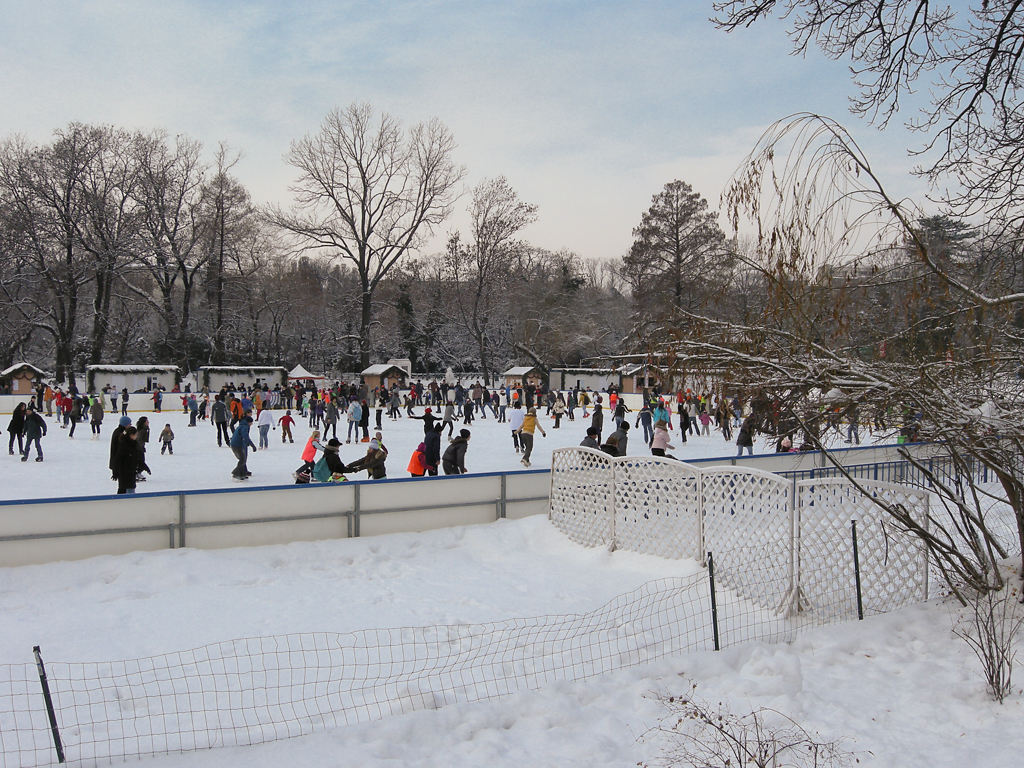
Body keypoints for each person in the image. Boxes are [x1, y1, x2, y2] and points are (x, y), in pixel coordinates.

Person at [113, 426, 149, 494]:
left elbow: (137, 458)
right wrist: (115, 472)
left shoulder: (134, 444)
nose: (137, 436)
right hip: (124, 474)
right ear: (131, 435)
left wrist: (144, 466)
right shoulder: (123, 445)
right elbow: (118, 460)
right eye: (136, 435)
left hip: (131, 473)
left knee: (128, 490)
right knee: (125, 491)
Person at [229, 413, 257, 479]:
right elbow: (246, 437)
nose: (251, 424)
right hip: (236, 445)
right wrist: (253, 446)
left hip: (236, 444)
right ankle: (236, 473)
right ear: (248, 422)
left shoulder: (242, 425)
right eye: (251, 423)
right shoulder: (244, 427)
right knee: (242, 459)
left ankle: (243, 473)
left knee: (243, 458)